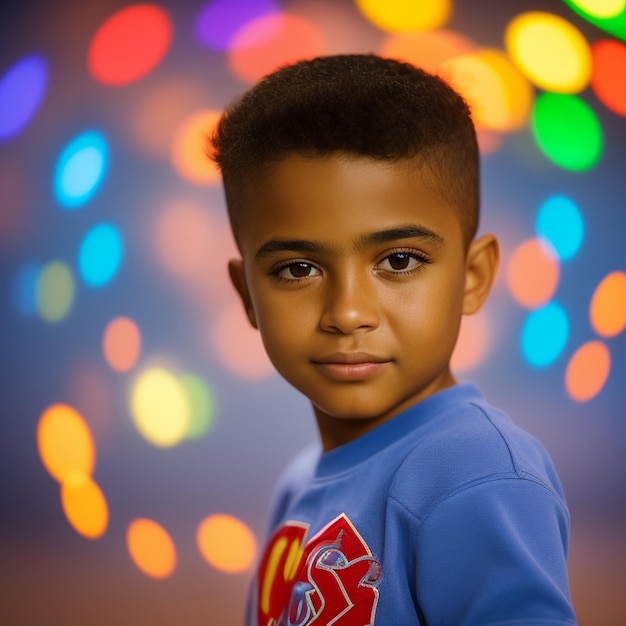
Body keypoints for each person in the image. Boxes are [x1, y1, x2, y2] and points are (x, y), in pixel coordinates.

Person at [210, 54, 577, 626]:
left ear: (472, 278)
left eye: (399, 260)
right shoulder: (300, 484)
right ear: (247, 295)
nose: (348, 313)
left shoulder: (475, 473)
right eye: (297, 269)